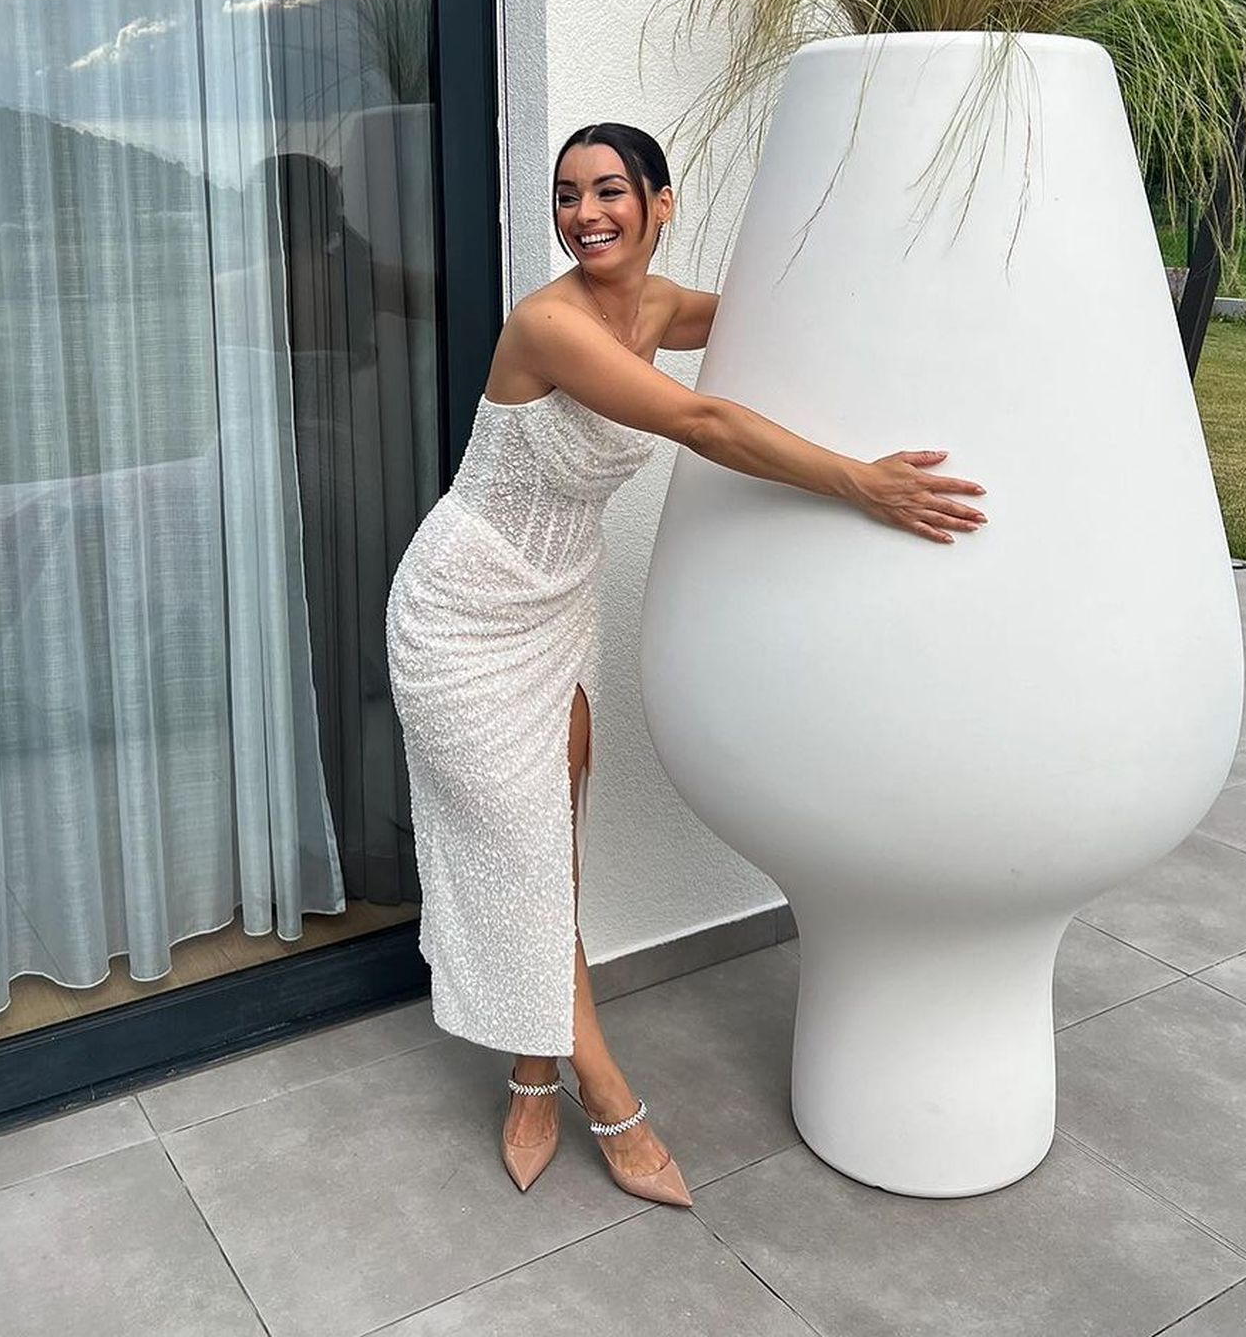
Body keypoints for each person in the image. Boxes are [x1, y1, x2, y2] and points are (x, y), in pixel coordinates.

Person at [383, 121, 988, 1208]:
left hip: (556, 605)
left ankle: (531, 1073)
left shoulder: (661, 308)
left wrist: (924, 258)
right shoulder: (548, 323)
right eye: (567, 195)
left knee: (551, 845)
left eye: (609, 191)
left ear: (661, 203)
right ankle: (610, 1100)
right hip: (462, 612)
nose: (584, 214)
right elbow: (704, 421)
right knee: (517, 854)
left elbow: (786, 308)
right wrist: (861, 482)